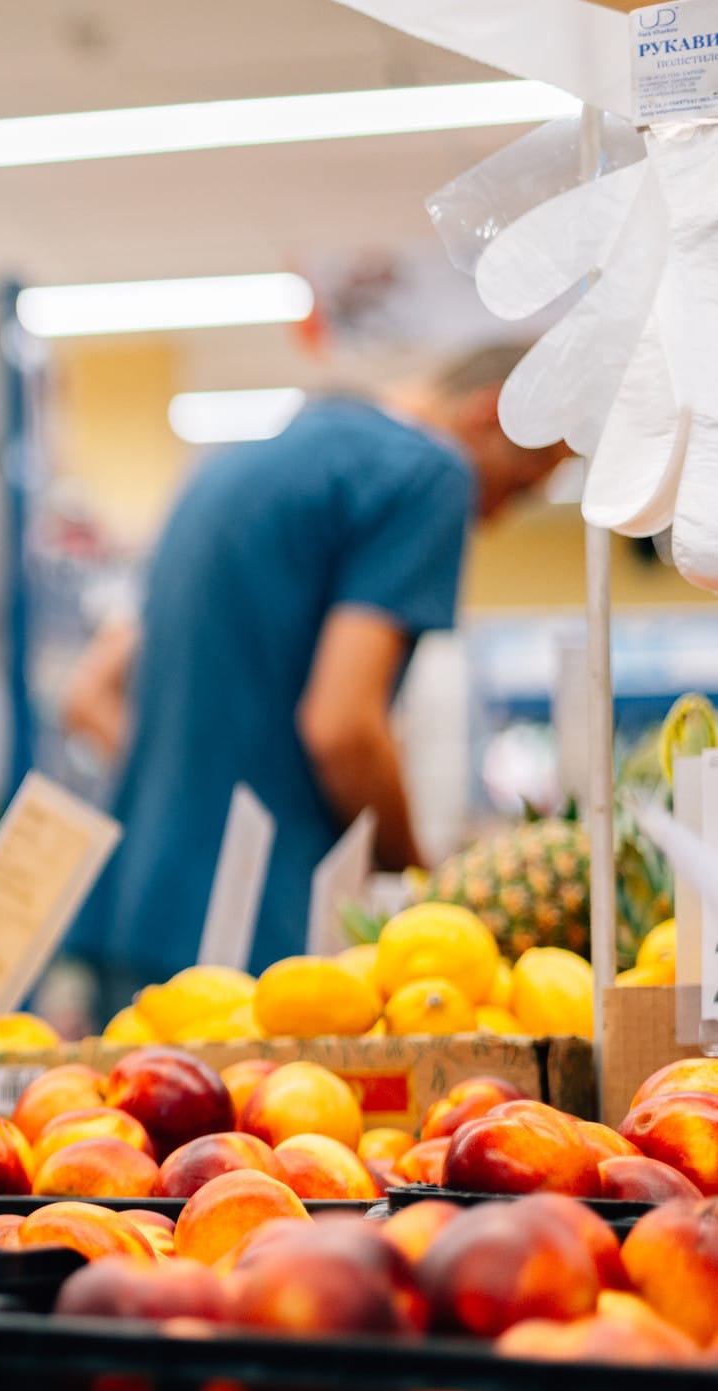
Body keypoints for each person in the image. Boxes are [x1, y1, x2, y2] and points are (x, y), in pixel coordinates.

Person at [67, 344, 562, 1013]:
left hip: (136, 903)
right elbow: (342, 728)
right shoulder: (427, 474)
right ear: (485, 418)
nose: (497, 517)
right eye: (520, 486)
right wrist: (426, 886)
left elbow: (89, 692)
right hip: (258, 932)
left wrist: (194, 786)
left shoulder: (230, 468)